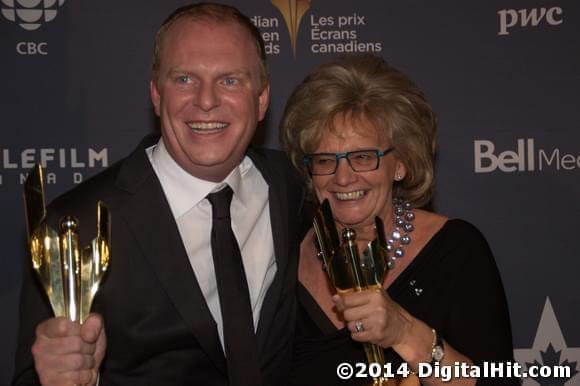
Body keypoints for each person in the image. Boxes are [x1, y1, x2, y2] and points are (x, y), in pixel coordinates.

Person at [13, 3, 306, 386]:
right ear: (156, 94)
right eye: (184, 79)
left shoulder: (290, 184)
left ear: (263, 98)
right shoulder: (76, 224)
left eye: (230, 80)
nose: (205, 100)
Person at [280, 54, 516, 385]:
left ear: (401, 163)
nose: (343, 178)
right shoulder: (282, 249)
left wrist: (405, 333)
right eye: (324, 160)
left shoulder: (456, 251)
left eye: (363, 157)